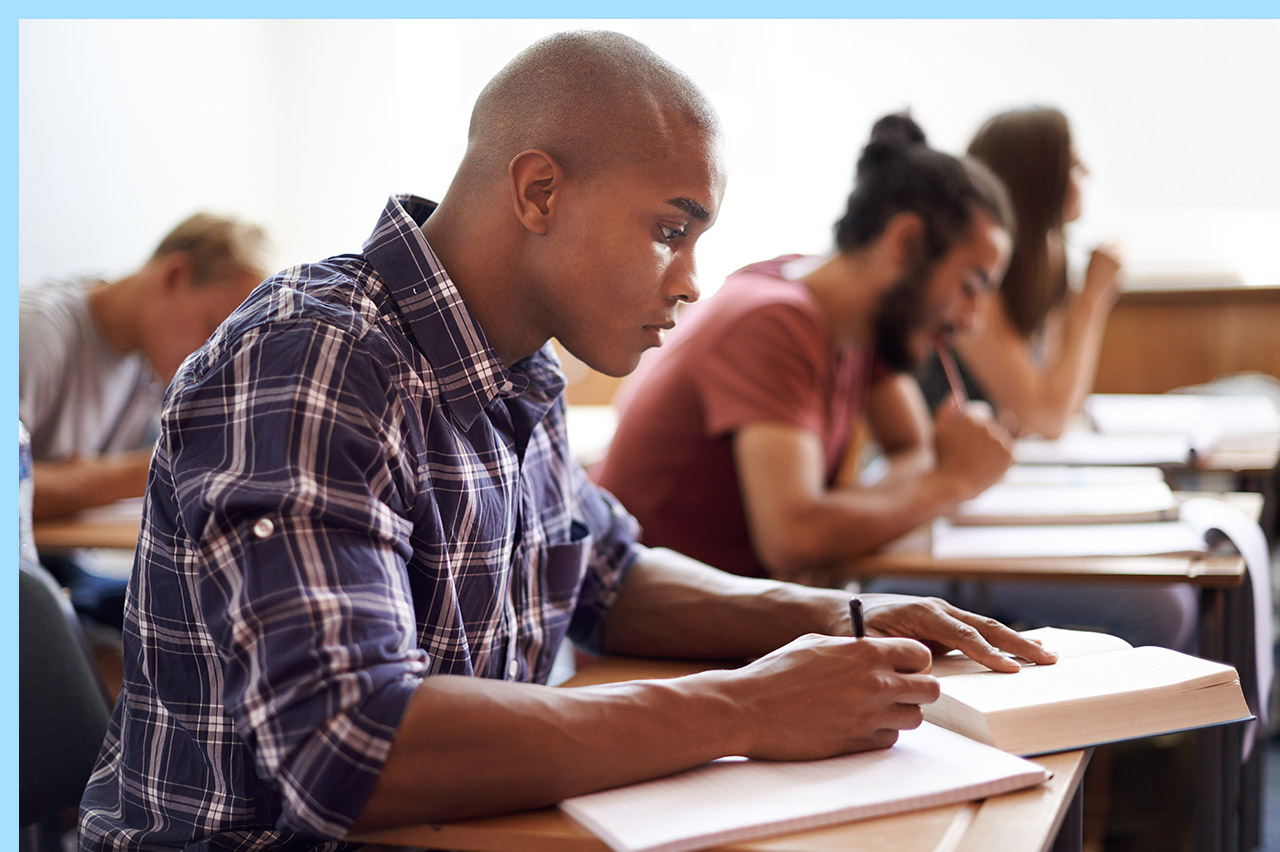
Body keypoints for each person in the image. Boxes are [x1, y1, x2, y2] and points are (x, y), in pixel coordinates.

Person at [78, 32, 1056, 851]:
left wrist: (847, 620)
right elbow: (352, 739)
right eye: (671, 230)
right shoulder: (318, 359)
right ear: (539, 192)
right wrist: (747, 709)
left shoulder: (515, 366)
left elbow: (606, 573)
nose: (687, 280)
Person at [594, 113, 1018, 585]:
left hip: (752, 621)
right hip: (661, 645)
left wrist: (864, 512)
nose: (971, 319)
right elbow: (794, 540)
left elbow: (911, 447)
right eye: (969, 286)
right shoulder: (775, 321)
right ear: (907, 242)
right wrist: (953, 483)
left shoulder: (856, 318)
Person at [19, 212, 269, 628]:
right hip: (23, 583)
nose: (214, 354)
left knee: (222, 611)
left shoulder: (149, 364)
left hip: (60, 571)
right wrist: (153, 466)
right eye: (213, 328)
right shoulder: (34, 332)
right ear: (174, 274)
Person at [916, 107, 1122, 438]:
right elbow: (1049, 418)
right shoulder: (970, 280)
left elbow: (1059, 405)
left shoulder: (1044, 267)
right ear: (1038, 182)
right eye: (1072, 164)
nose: (1088, 172)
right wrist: (1091, 302)